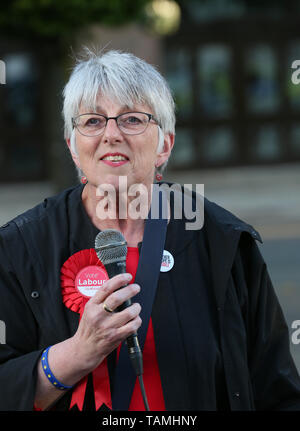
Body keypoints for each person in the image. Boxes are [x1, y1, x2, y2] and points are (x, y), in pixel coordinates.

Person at [0, 48, 300, 412]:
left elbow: (275, 387)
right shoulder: (19, 249)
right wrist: (76, 354)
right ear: (73, 148)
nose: (111, 134)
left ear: (164, 145)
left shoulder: (222, 243)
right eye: (93, 121)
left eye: (131, 119)